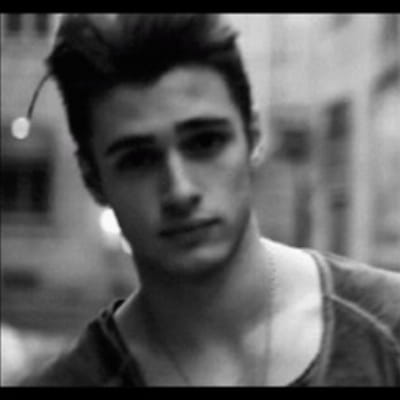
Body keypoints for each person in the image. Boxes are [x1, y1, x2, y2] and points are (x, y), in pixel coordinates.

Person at [20, 14, 400, 387]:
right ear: (93, 178)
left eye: (205, 142)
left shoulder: (388, 330)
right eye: (138, 159)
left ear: (252, 136)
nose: (180, 190)